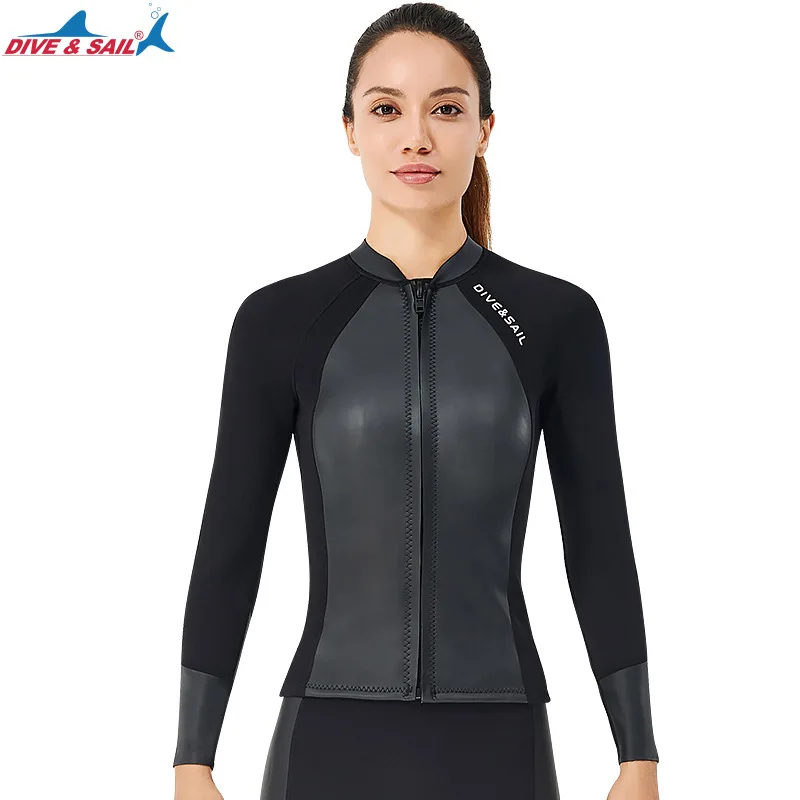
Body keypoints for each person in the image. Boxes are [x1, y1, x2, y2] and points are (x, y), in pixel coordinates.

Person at [172, 4, 660, 799]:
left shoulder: (556, 319)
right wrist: (193, 759)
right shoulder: (279, 322)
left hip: (499, 740)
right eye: (386, 109)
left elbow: (599, 541)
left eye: (447, 109)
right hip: (327, 740)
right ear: (349, 130)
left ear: (486, 128)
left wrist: (637, 754)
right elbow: (230, 541)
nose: (416, 138)